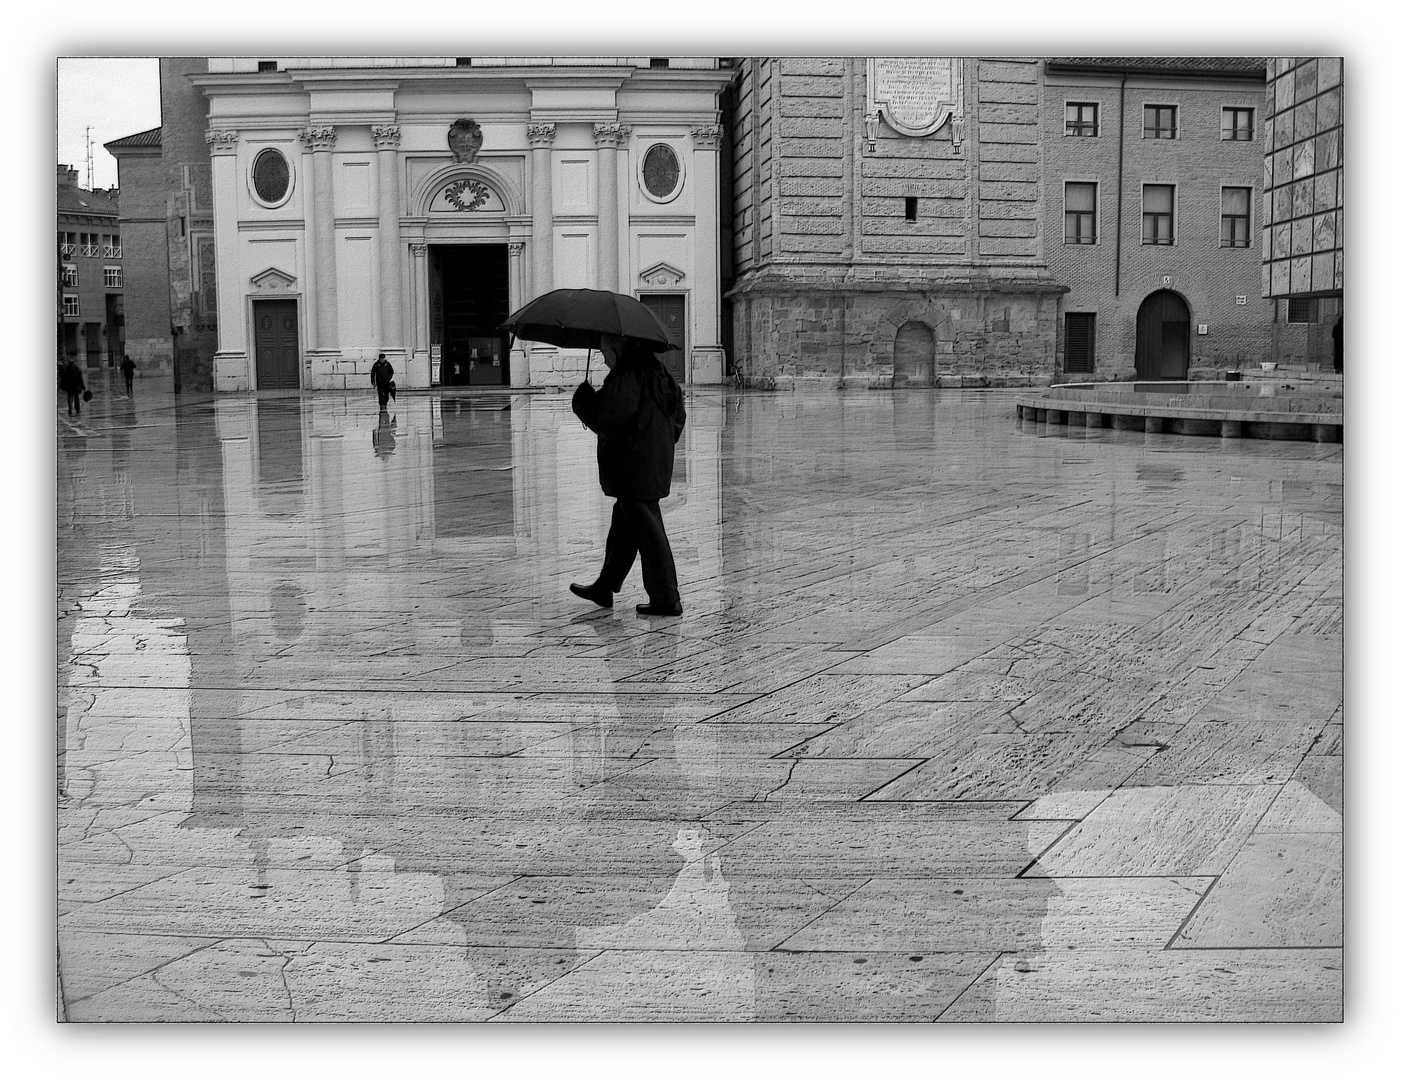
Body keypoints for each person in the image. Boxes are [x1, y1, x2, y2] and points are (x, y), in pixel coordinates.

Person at [570, 334, 687, 616]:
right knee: (624, 525)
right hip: (650, 462)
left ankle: (666, 598)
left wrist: (583, 402)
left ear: (618, 351)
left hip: (633, 465)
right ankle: (605, 585)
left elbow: (606, 418)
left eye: (605, 353)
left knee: (648, 532)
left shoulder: (627, 376)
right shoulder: (661, 374)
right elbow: (678, 418)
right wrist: (658, 442)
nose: (604, 358)